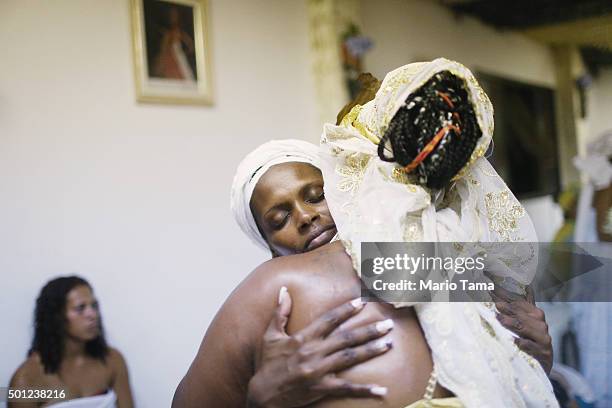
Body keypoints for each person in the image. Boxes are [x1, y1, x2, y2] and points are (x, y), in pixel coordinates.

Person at [173, 60, 555, 408]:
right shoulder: (273, 290)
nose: (307, 217)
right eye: (279, 219)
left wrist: (537, 358)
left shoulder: (464, 262)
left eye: (317, 195)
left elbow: (516, 378)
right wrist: (263, 398)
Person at [8, 276, 134, 408]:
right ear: (56, 316)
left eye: (94, 306)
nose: (92, 314)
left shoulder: (112, 360)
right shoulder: (27, 379)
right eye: (80, 308)